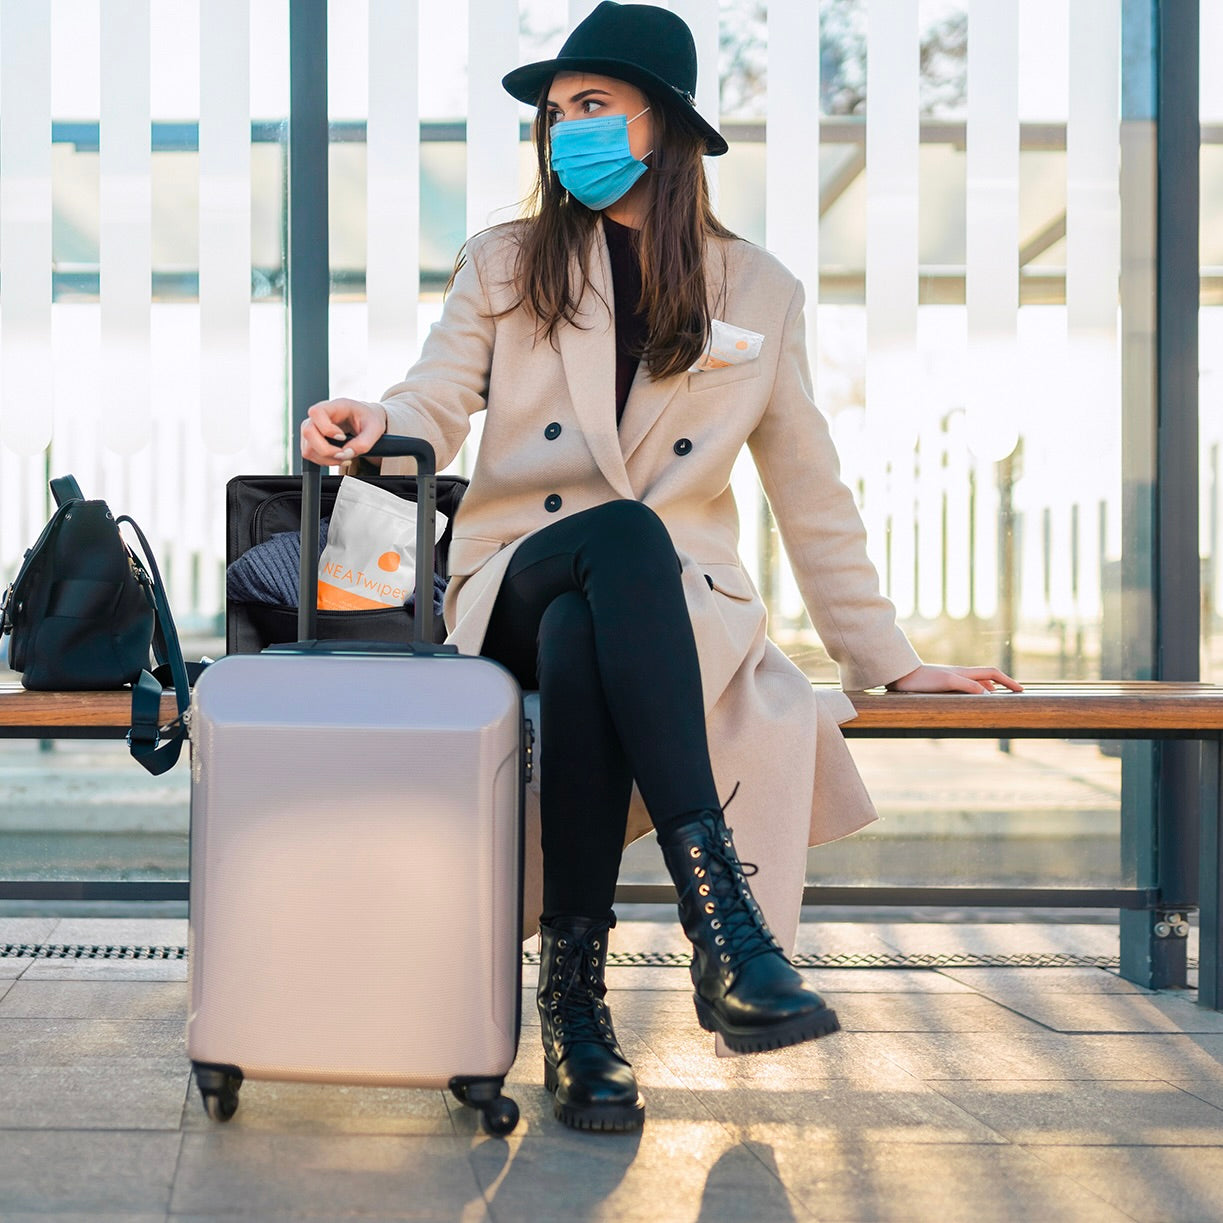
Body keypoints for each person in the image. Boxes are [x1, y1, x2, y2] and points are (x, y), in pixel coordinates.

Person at [301, 1, 1021, 1134]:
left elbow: (808, 489)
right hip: (513, 577)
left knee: (602, 622)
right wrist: (373, 418)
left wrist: (887, 659)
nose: (563, 132)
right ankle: (723, 925)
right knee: (619, 536)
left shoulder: (759, 291)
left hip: (657, 613)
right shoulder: (504, 261)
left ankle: (577, 1012)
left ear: (663, 125)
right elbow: (435, 400)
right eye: (552, 116)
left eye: (590, 107)